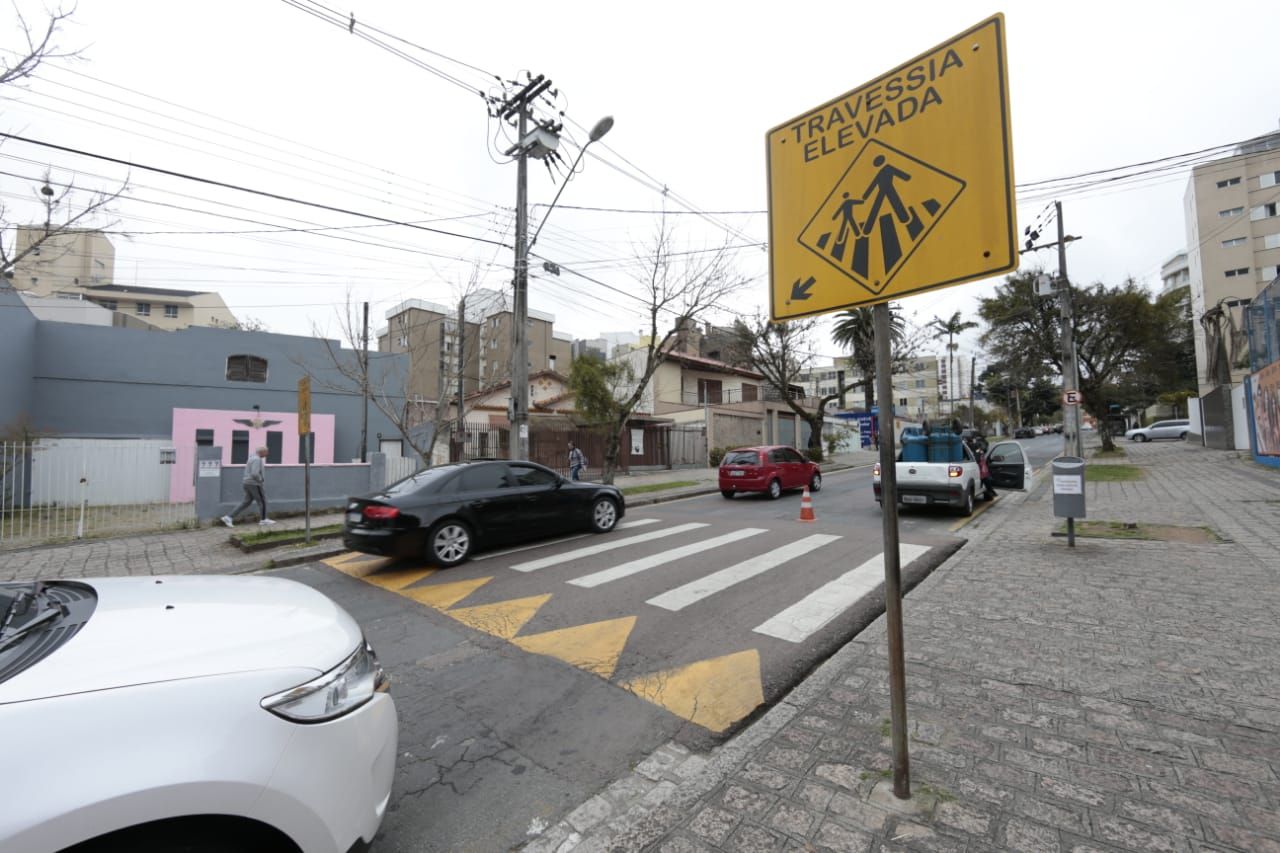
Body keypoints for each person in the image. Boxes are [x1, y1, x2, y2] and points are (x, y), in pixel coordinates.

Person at [222, 446, 274, 527]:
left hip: (247, 483)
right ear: (262, 452)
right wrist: (260, 480)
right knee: (262, 501)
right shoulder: (257, 459)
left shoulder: (252, 458)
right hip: (254, 483)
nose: (267, 454)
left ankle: (228, 517)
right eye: (266, 452)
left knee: (246, 502)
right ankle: (263, 520)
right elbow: (254, 473)